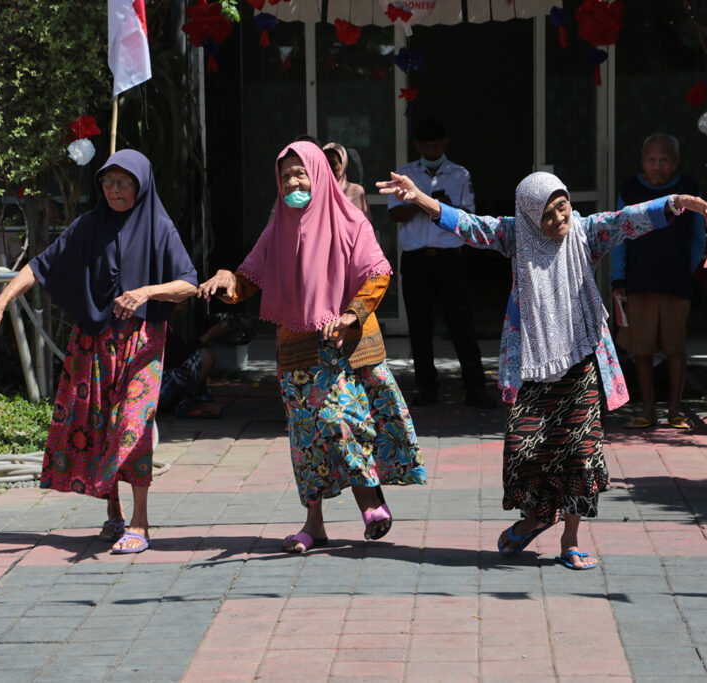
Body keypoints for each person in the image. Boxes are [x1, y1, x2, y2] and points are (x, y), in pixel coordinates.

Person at [379, 170, 707, 569]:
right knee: (528, 451)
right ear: (528, 216)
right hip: (533, 366)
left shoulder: (588, 232)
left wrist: (677, 202)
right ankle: (536, 518)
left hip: (581, 362)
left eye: (563, 207)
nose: (559, 219)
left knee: (580, 454)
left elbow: (629, 220)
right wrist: (420, 198)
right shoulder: (514, 236)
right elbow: (470, 226)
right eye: (547, 214)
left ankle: (570, 541)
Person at [198, 141, 426, 553]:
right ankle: (314, 524)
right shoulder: (277, 228)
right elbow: (248, 280)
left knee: (344, 421)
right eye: (285, 176)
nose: (293, 182)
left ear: (320, 174)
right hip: (298, 349)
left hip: (347, 345)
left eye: (301, 172)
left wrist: (351, 315)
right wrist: (225, 281)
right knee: (306, 441)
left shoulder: (351, 221)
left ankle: (369, 498)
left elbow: (377, 274)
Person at [0, 150, 198, 551]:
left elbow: (189, 283)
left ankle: (140, 523)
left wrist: (146, 291)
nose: (114, 189)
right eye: (107, 182)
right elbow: (38, 267)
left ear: (141, 184)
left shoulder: (160, 227)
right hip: (92, 342)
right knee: (97, 427)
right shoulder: (88, 226)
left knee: (132, 426)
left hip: (142, 343)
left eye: (123, 182)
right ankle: (114, 513)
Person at [388, 117, 494, 408]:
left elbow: (468, 216)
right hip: (416, 258)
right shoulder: (405, 174)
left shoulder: (459, 174)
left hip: (449, 258)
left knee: (462, 324)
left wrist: (443, 206)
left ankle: (475, 388)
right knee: (419, 326)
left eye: (436, 143)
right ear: (417, 145)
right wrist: (421, 201)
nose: (431, 148)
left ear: (445, 143)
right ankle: (426, 387)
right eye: (426, 144)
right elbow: (394, 214)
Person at [611, 134, 706, 429]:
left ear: (675, 162)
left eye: (664, 160)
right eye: (651, 160)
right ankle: (648, 410)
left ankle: (675, 410)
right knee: (642, 349)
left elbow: (697, 238)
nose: (657, 166)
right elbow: (619, 236)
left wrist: (686, 270)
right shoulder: (630, 189)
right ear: (643, 162)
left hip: (676, 282)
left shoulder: (688, 190)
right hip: (639, 282)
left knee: (675, 348)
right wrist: (618, 277)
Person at [158, 298, 225, 419]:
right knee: (205, 357)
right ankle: (182, 405)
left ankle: (192, 402)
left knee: (203, 357)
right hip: (160, 387)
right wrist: (207, 337)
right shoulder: (161, 327)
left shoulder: (171, 326)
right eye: (183, 298)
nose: (186, 301)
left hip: (168, 379)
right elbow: (176, 358)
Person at [323, 142, 370, 219]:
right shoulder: (316, 191)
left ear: (343, 165)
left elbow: (364, 225)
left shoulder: (356, 191)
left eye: (333, 164)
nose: (328, 168)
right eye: (325, 163)